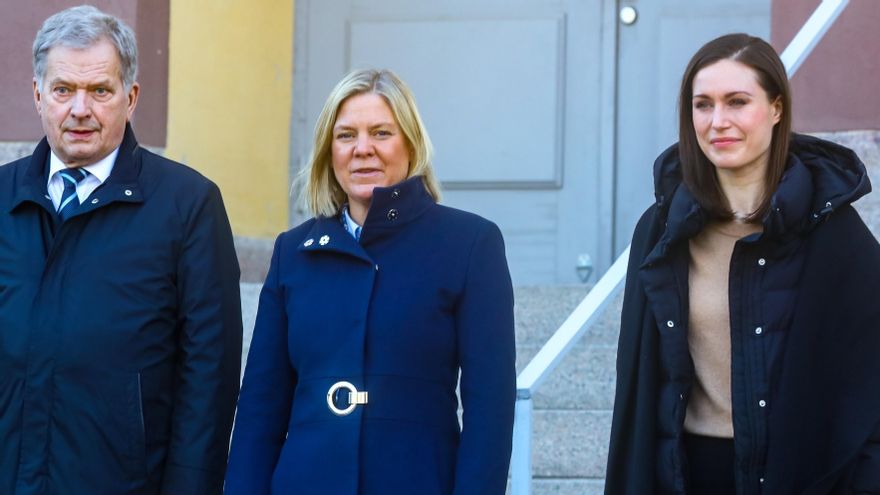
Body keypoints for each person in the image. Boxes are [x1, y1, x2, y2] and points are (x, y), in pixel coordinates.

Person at [606, 33, 880, 494]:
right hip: (687, 472)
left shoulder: (834, 233)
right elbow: (637, 381)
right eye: (703, 105)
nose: (718, 122)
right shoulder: (660, 230)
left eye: (737, 102)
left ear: (776, 109)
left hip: (798, 475)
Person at [224, 68, 516, 494]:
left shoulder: (470, 244)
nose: (363, 150)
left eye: (381, 133)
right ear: (329, 151)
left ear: (411, 144)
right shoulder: (293, 252)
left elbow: (489, 410)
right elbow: (260, 408)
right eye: (346, 136)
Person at [0, 6, 242, 494]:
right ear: (37, 95)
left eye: (100, 91)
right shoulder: (3, 197)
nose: (80, 109)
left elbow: (209, 382)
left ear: (130, 98)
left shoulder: (188, 205)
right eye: (63, 89)